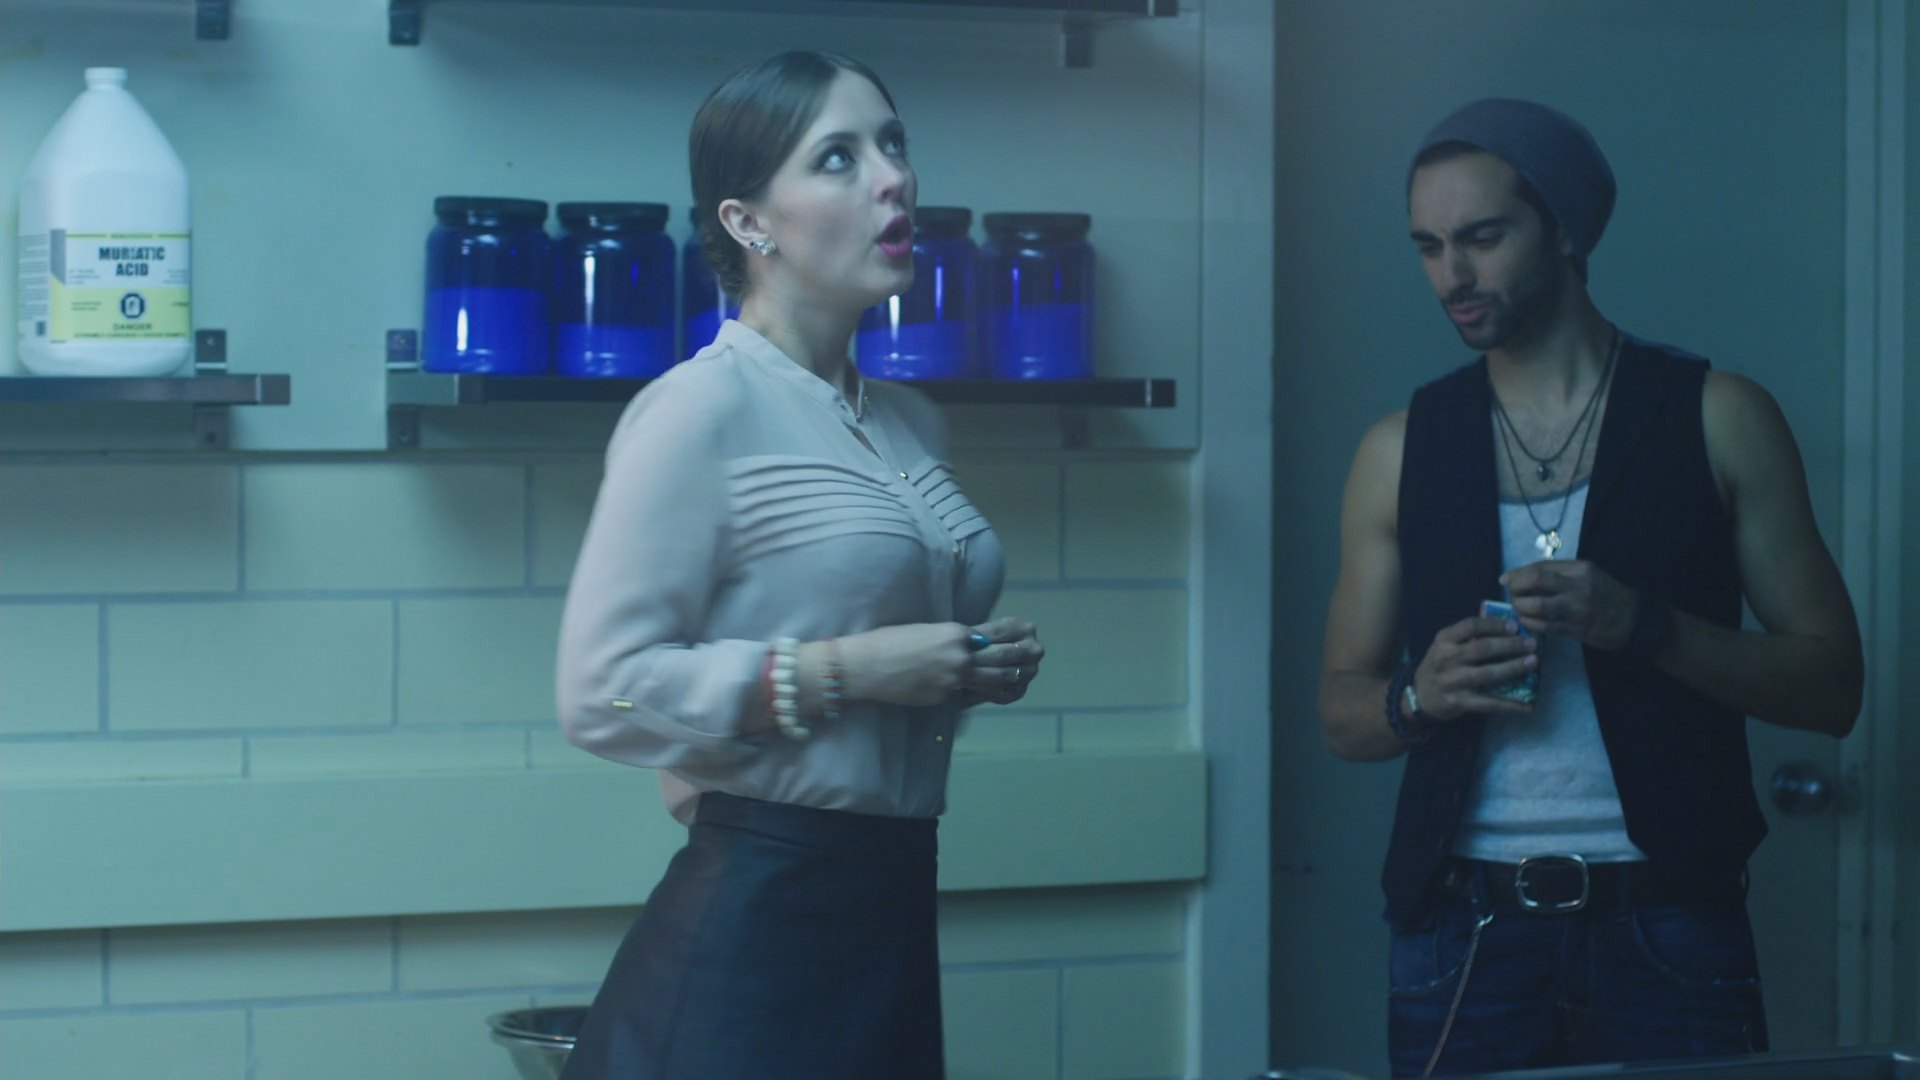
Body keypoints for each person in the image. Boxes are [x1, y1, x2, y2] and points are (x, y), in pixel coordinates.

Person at [1316, 97, 1864, 1078]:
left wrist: (1648, 627)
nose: (1452, 276)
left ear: (1564, 228)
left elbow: (1833, 688)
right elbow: (1342, 714)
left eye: (1482, 237)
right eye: (1429, 246)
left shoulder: (1719, 417)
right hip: (1464, 932)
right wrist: (1418, 696)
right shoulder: (1397, 450)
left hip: (1669, 923)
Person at [553, 51, 1045, 1080]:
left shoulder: (908, 421)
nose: (892, 178)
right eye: (838, 157)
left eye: (893, 145)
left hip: (892, 909)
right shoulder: (700, 410)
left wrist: (963, 668)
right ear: (748, 222)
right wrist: (847, 672)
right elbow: (602, 692)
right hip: (754, 935)